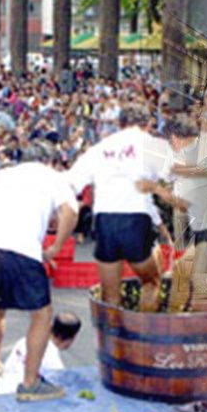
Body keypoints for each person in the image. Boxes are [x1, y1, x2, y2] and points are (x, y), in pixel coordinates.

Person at [0, 147, 77, 402]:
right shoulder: (52, 176)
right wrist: (55, 247)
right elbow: (71, 212)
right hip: (20, 246)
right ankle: (30, 383)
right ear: (49, 161)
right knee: (42, 314)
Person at [67, 105, 171, 309]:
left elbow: (72, 182)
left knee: (110, 296)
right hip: (135, 217)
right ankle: (145, 336)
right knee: (151, 283)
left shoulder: (99, 148)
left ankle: (112, 340)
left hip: (105, 221)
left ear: (119, 124)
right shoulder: (152, 145)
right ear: (148, 125)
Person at [1, 312, 81, 383]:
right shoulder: (53, 360)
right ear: (73, 338)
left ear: (51, 327)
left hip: (4, 384)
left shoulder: (25, 340)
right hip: (23, 391)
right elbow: (59, 383)